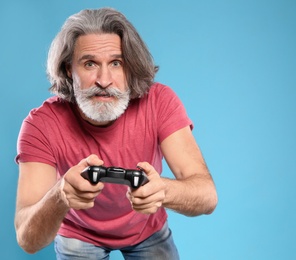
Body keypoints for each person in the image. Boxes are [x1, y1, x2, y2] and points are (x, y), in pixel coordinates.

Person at [14, 7, 218, 259]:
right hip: (79, 233)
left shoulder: (159, 102)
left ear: (130, 67)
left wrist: (162, 191)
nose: (104, 79)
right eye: (90, 64)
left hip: (146, 228)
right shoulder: (41, 124)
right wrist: (61, 195)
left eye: (116, 63)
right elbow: (27, 239)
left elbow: (207, 196)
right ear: (69, 69)